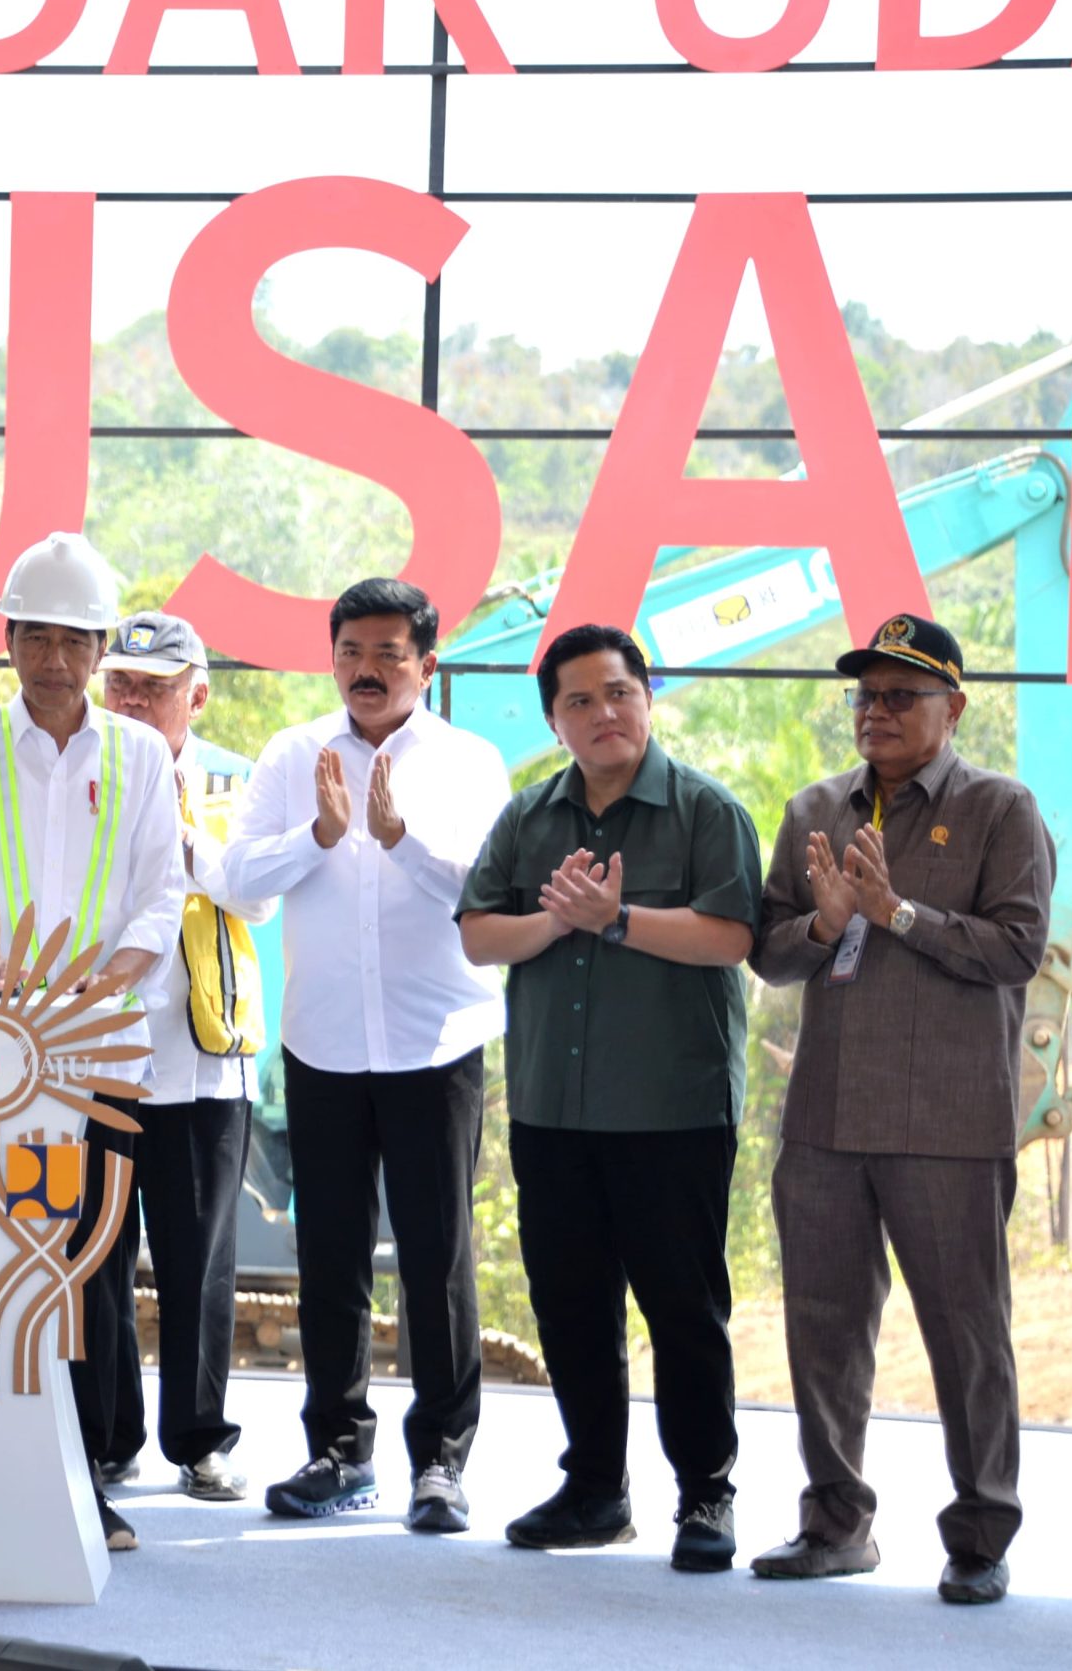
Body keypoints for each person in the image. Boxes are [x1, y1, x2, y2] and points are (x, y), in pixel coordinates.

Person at [748, 611, 1050, 1604]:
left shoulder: (1002, 809)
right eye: (865, 695)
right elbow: (769, 950)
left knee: (967, 1331)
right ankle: (835, 1522)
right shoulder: (812, 811)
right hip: (827, 1118)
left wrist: (896, 915)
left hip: (950, 1123)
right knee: (823, 1326)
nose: (876, 713)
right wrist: (825, 919)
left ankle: (979, 1534)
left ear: (952, 707)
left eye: (900, 695)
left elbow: (1014, 950)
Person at [455, 624, 759, 1572]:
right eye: (579, 701)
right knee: (573, 1306)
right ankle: (595, 1489)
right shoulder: (529, 816)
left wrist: (616, 919)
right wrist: (557, 919)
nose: (603, 714)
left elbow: (730, 936)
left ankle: (706, 1492)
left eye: (618, 692)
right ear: (555, 719)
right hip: (552, 1106)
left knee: (682, 1309)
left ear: (648, 698)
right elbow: (476, 935)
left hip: (671, 1107)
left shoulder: (704, 809)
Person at [221, 577, 509, 1535]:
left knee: (436, 1256)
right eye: (352, 651)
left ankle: (442, 1462)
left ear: (427, 663)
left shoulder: (469, 761)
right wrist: (321, 835)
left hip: (437, 1041)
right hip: (325, 1043)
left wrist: (399, 839)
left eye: (391, 653)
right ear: (332, 657)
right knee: (330, 1255)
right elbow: (239, 884)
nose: (368, 669)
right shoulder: (292, 754)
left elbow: (488, 893)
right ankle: (338, 1451)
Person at [0, 531, 185, 1553]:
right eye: (36, 634)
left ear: (100, 646)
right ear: (9, 639)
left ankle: (85, 1474)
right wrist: (19, 988)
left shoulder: (137, 755)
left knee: (92, 1266)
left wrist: (108, 980)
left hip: (106, 1053)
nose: (54, 657)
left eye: (74, 639)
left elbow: (160, 893)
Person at [87, 610, 278, 1503]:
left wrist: (174, 824)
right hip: (90, 1055)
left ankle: (200, 1438)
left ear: (195, 695)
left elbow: (255, 891)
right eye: (119, 682)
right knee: (94, 1253)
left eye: (153, 686)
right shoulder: (74, 770)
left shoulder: (238, 780)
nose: (131, 698)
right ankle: (105, 1434)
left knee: (199, 1257)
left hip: (203, 1061)